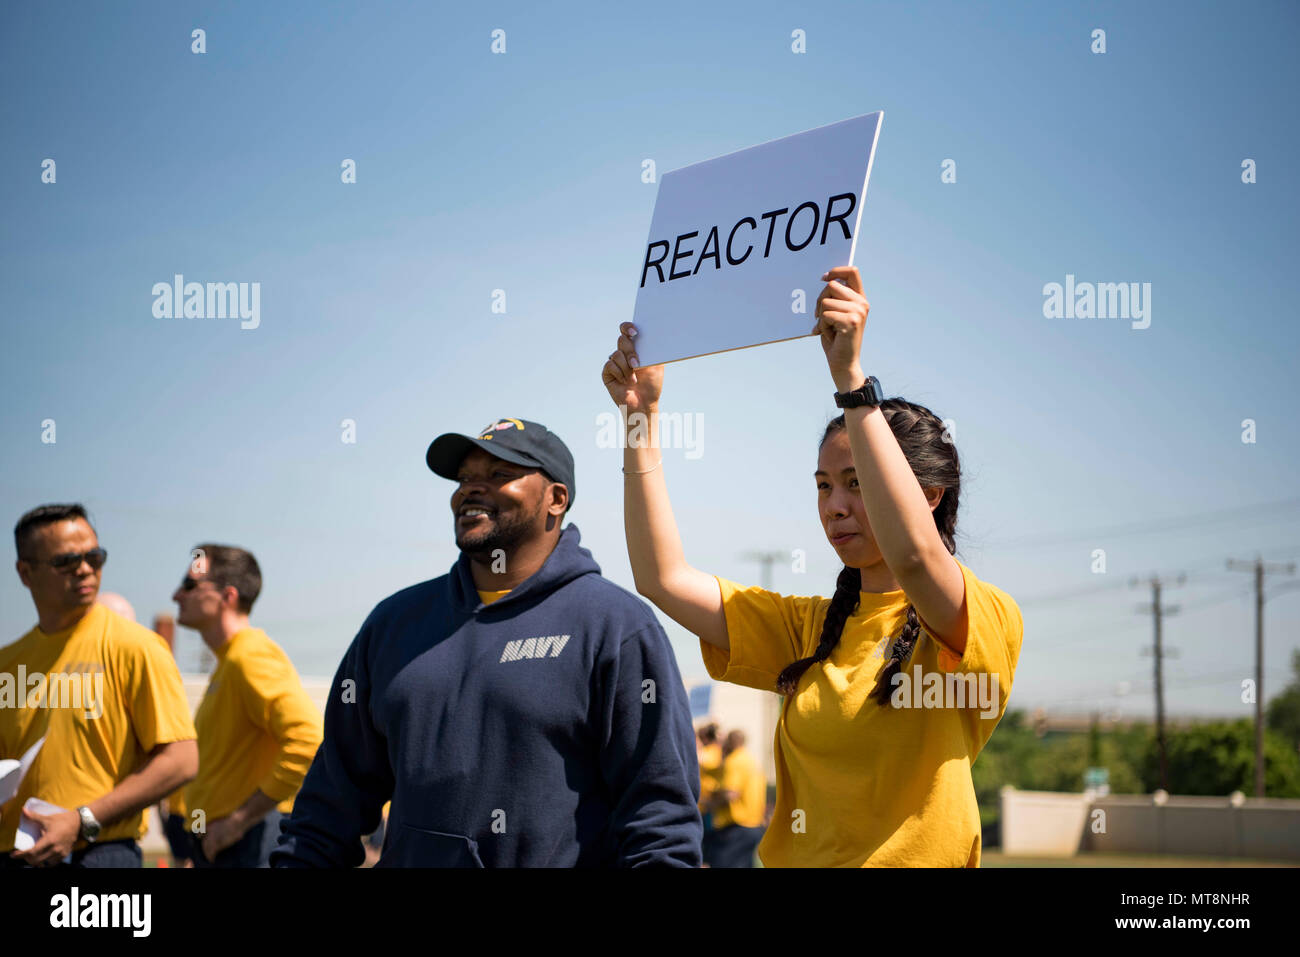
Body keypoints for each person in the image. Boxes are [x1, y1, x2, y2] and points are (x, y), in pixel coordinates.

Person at [602, 266, 1024, 867]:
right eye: (824, 486)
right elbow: (662, 579)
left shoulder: (976, 619)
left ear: (928, 495)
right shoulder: (808, 631)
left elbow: (915, 555)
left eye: (858, 484)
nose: (836, 507)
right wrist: (639, 418)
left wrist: (851, 380)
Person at [273, 418, 701, 867]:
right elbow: (328, 808)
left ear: (556, 499)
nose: (470, 490)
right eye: (464, 479)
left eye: (499, 475)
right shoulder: (394, 624)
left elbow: (660, 819)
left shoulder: (615, 625)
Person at [1, 504, 197, 868]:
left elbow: (181, 761)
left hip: (99, 852)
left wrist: (81, 820)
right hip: (14, 854)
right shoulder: (7, 662)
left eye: (95, 555)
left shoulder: (136, 646)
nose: (86, 568)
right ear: (25, 573)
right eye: (67, 561)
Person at [171, 544, 323, 867]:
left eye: (188, 586)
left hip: (249, 841)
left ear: (228, 596)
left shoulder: (249, 656)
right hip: (231, 843)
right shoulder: (230, 661)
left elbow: (308, 739)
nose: (176, 596)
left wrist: (237, 822)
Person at [702, 730, 766, 868]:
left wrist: (711, 803)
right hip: (753, 825)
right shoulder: (750, 760)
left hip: (736, 827)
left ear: (730, 742)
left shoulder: (734, 761)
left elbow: (731, 793)